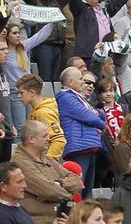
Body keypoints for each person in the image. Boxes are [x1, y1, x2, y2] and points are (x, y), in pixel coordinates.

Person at [9, 119, 83, 224]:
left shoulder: (47, 158)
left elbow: (77, 181)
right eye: (44, 136)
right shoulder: (20, 162)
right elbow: (49, 191)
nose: (49, 139)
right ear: (31, 139)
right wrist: (69, 194)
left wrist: (59, 184)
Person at [56, 66, 105, 195]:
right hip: (79, 146)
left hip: (88, 145)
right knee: (78, 187)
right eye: (81, 79)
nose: (83, 82)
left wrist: (97, 113)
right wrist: (103, 124)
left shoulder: (79, 98)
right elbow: (86, 115)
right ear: (70, 82)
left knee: (87, 190)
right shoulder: (65, 97)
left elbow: (97, 113)